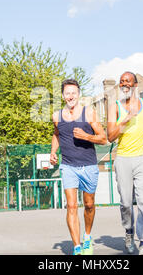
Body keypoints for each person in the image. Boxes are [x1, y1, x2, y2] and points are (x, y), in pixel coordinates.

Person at [107, 71, 143, 255]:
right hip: (123, 159)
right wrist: (126, 118)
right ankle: (129, 231)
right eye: (121, 81)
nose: (124, 84)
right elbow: (110, 136)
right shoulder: (115, 107)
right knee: (125, 203)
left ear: (135, 85)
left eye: (128, 81)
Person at [50, 79, 107, 255]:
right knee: (72, 206)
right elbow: (57, 134)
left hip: (89, 165)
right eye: (67, 93)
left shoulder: (89, 113)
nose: (71, 96)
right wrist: (53, 151)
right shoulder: (56, 116)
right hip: (68, 166)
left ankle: (87, 237)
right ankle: (77, 247)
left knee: (89, 205)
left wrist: (86, 136)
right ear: (62, 96)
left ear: (79, 94)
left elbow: (103, 138)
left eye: (74, 92)